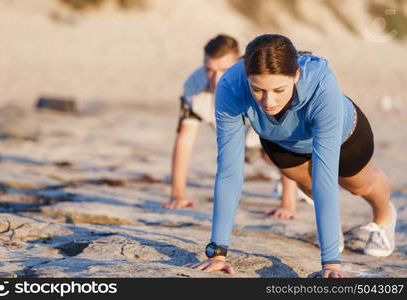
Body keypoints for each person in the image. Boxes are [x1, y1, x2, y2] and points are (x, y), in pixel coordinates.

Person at [188, 34, 397, 278]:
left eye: (279, 89)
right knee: (308, 188)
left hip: (344, 134)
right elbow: (229, 172)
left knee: (359, 185)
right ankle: (331, 229)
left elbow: (325, 177)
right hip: (281, 139)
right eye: (257, 90)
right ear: (246, 78)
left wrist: (331, 264)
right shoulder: (230, 87)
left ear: (296, 75)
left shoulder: (321, 83)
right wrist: (217, 253)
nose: (268, 101)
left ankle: (385, 217)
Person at [163, 34, 306, 216]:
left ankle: (297, 185)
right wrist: (177, 195)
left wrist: (287, 205)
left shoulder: (260, 83)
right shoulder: (194, 85)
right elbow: (184, 141)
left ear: (241, 64)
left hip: (287, 138)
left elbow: (286, 141)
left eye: (224, 70)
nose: (216, 80)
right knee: (246, 151)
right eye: (209, 70)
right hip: (242, 137)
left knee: (272, 150)